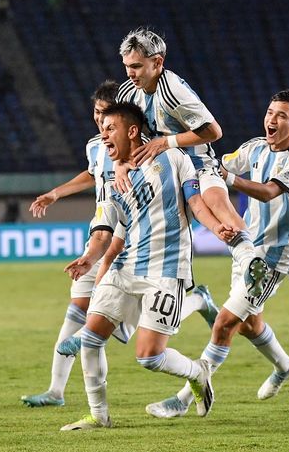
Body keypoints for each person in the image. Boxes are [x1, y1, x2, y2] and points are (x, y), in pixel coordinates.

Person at [21, 81, 218, 408]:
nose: (100, 123)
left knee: (128, 329)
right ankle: (63, 393)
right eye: (97, 115)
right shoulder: (96, 147)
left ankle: (194, 303)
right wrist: (57, 192)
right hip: (101, 232)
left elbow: (188, 194)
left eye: (107, 118)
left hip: (130, 239)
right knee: (84, 314)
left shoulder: (153, 155)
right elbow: (91, 176)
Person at [60, 102, 237, 430]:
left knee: (149, 357)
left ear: (132, 131)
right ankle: (98, 415)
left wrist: (218, 229)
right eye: (102, 130)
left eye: (110, 129)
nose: (103, 135)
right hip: (126, 267)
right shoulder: (117, 180)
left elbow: (196, 204)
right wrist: (91, 261)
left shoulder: (173, 159)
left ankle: (197, 373)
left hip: (166, 271)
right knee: (91, 337)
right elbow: (116, 235)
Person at [145, 89, 289, 418]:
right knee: (250, 324)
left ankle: (183, 398)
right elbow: (218, 165)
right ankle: (285, 366)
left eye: (282, 116)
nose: (272, 120)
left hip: (273, 257)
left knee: (224, 324)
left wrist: (229, 177)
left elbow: (267, 192)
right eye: (270, 112)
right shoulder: (254, 148)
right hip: (246, 245)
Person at [114, 27, 269, 299]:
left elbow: (213, 132)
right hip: (158, 172)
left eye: (137, 66)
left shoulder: (173, 90)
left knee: (217, 205)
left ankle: (251, 263)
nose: (130, 73)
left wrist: (166, 142)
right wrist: (119, 163)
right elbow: (117, 132)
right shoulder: (128, 92)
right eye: (127, 66)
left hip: (196, 162)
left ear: (158, 62)